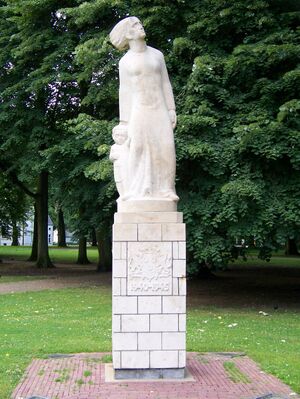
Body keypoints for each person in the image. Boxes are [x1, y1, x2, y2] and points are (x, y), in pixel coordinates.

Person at [109, 16, 178, 201]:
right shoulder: (125, 62)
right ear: (128, 34)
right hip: (139, 111)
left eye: (140, 24)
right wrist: (124, 122)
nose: (141, 27)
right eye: (136, 25)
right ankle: (137, 190)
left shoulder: (157, 55)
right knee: (138, 149)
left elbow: (165, 83)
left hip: (160, 109)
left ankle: (167, 189)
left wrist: (171, 109)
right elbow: (124, 91)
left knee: (166, 147)